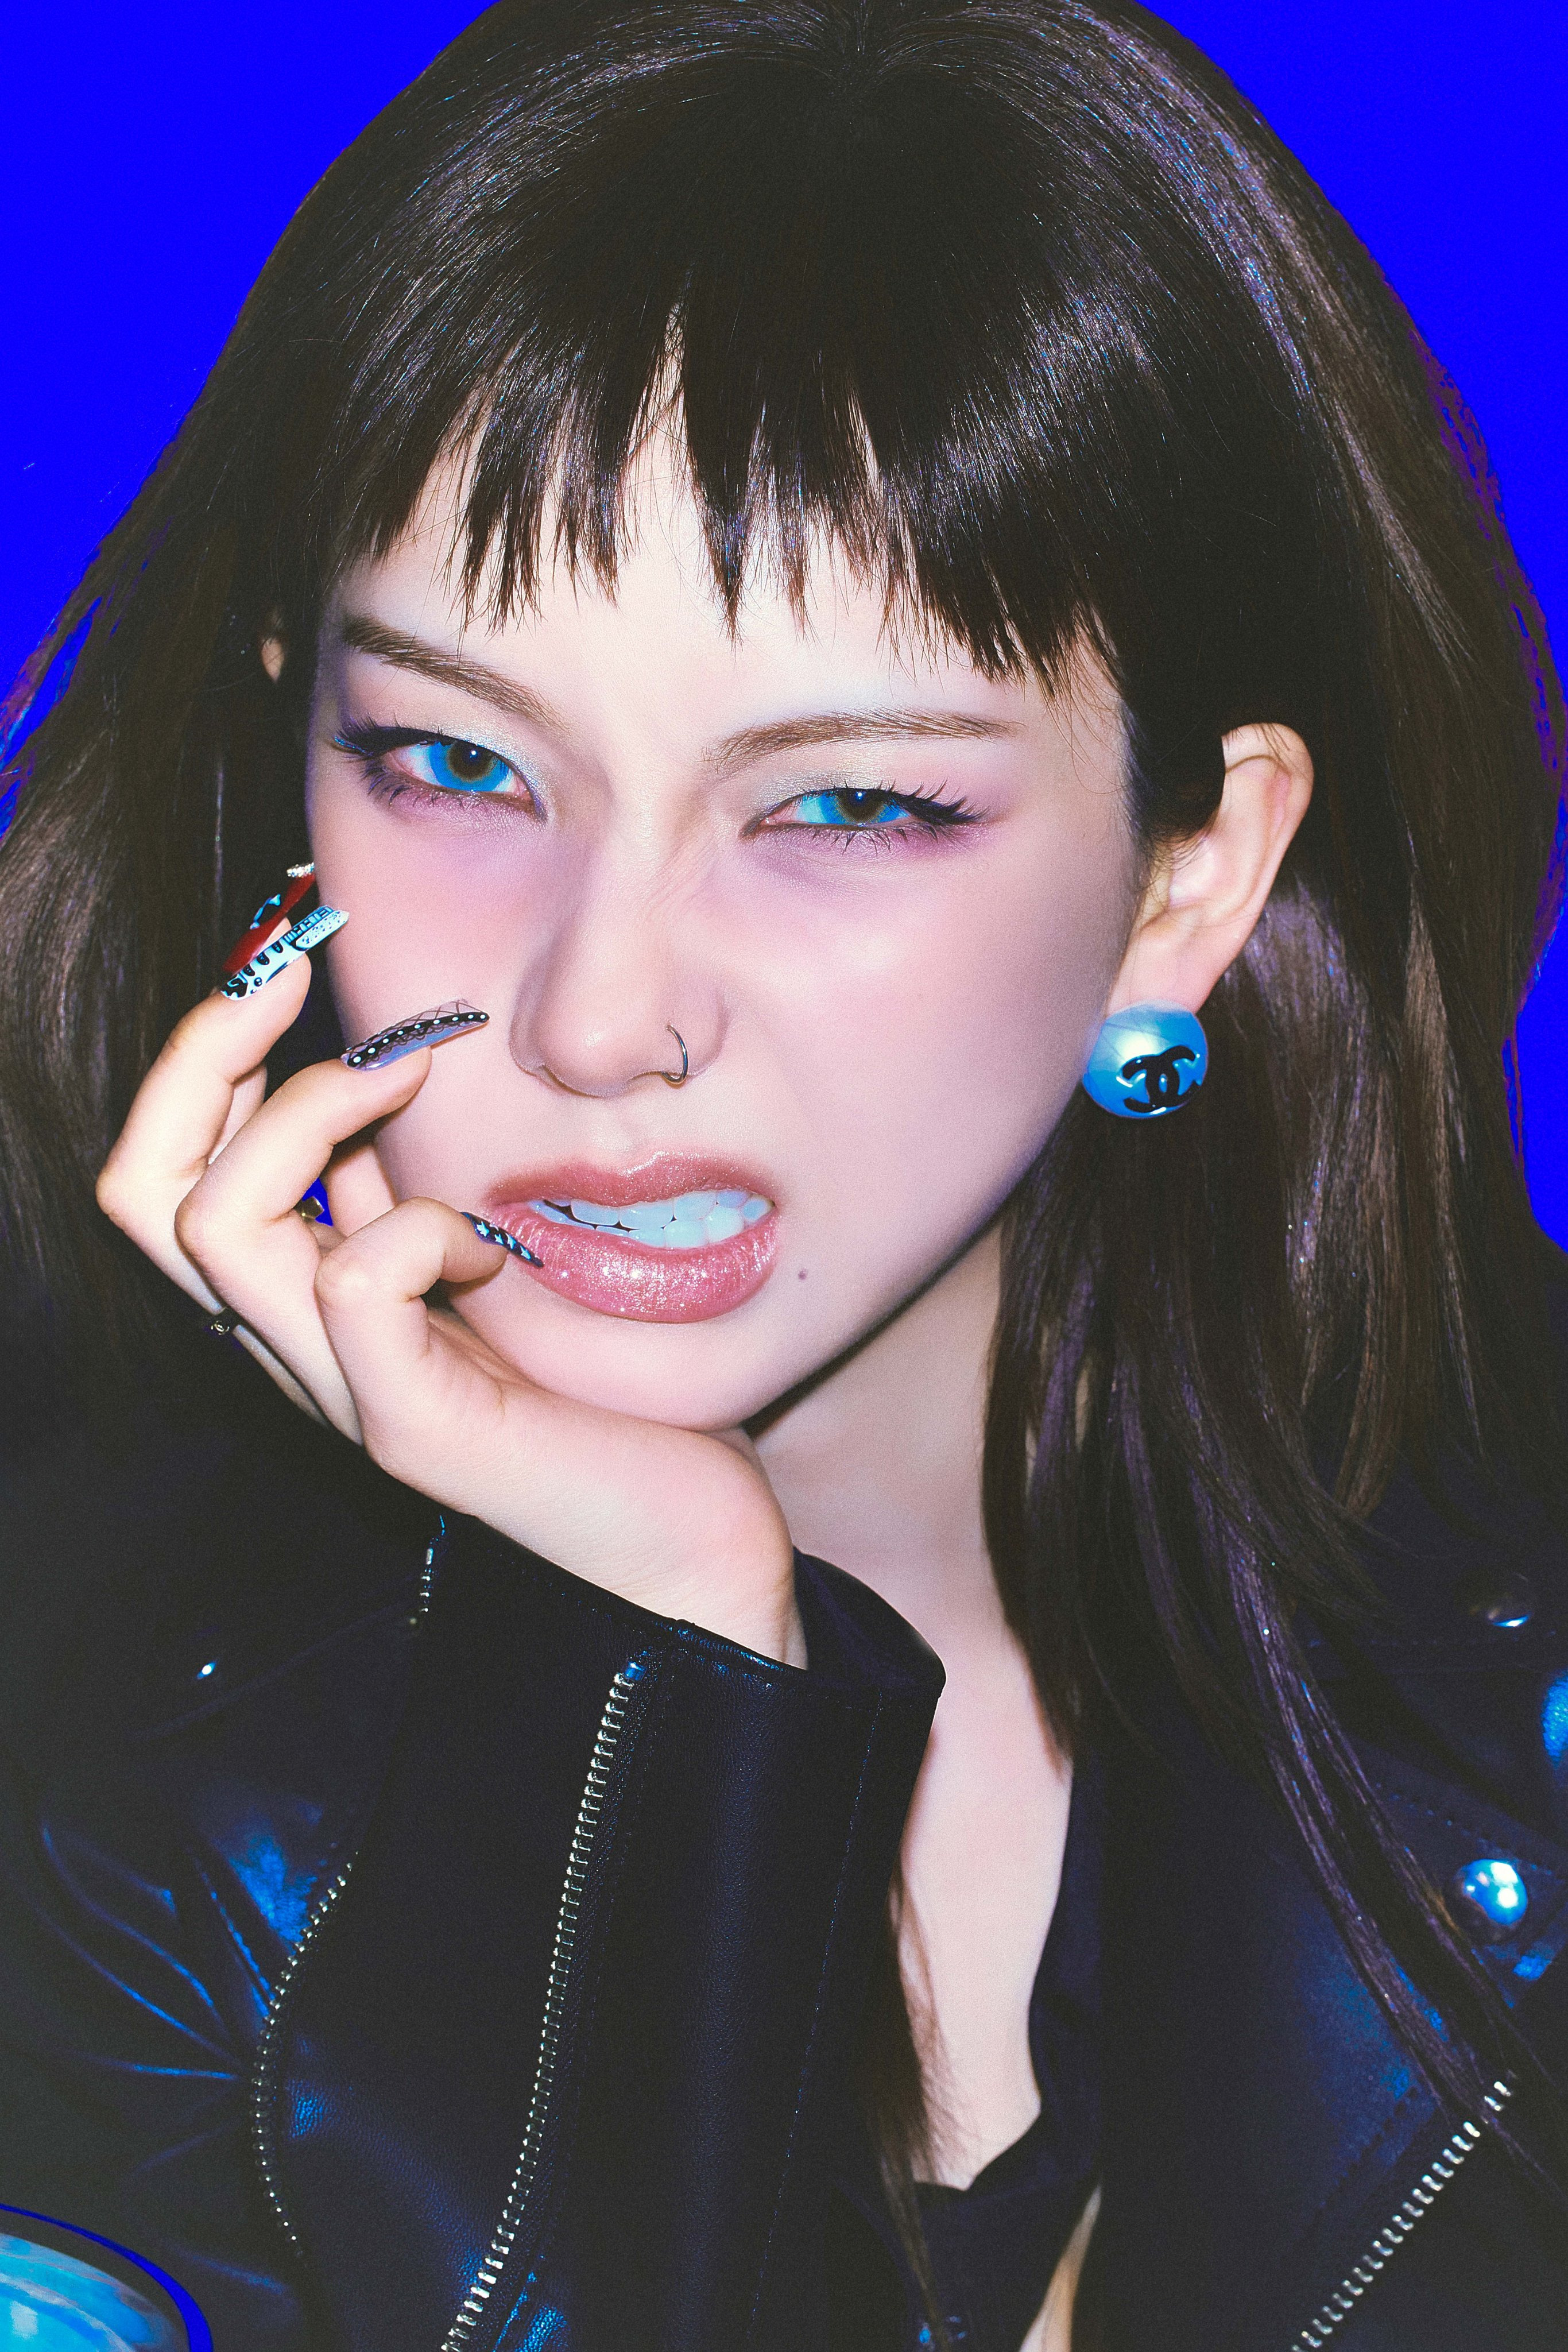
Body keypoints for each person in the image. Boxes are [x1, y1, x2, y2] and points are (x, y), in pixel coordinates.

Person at [0, 2, 1564, 2346]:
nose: (601, 1016)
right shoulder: (93, 1770)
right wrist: (666, 1678)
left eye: (845, 805)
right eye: (452, 762)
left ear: (1189, 877)